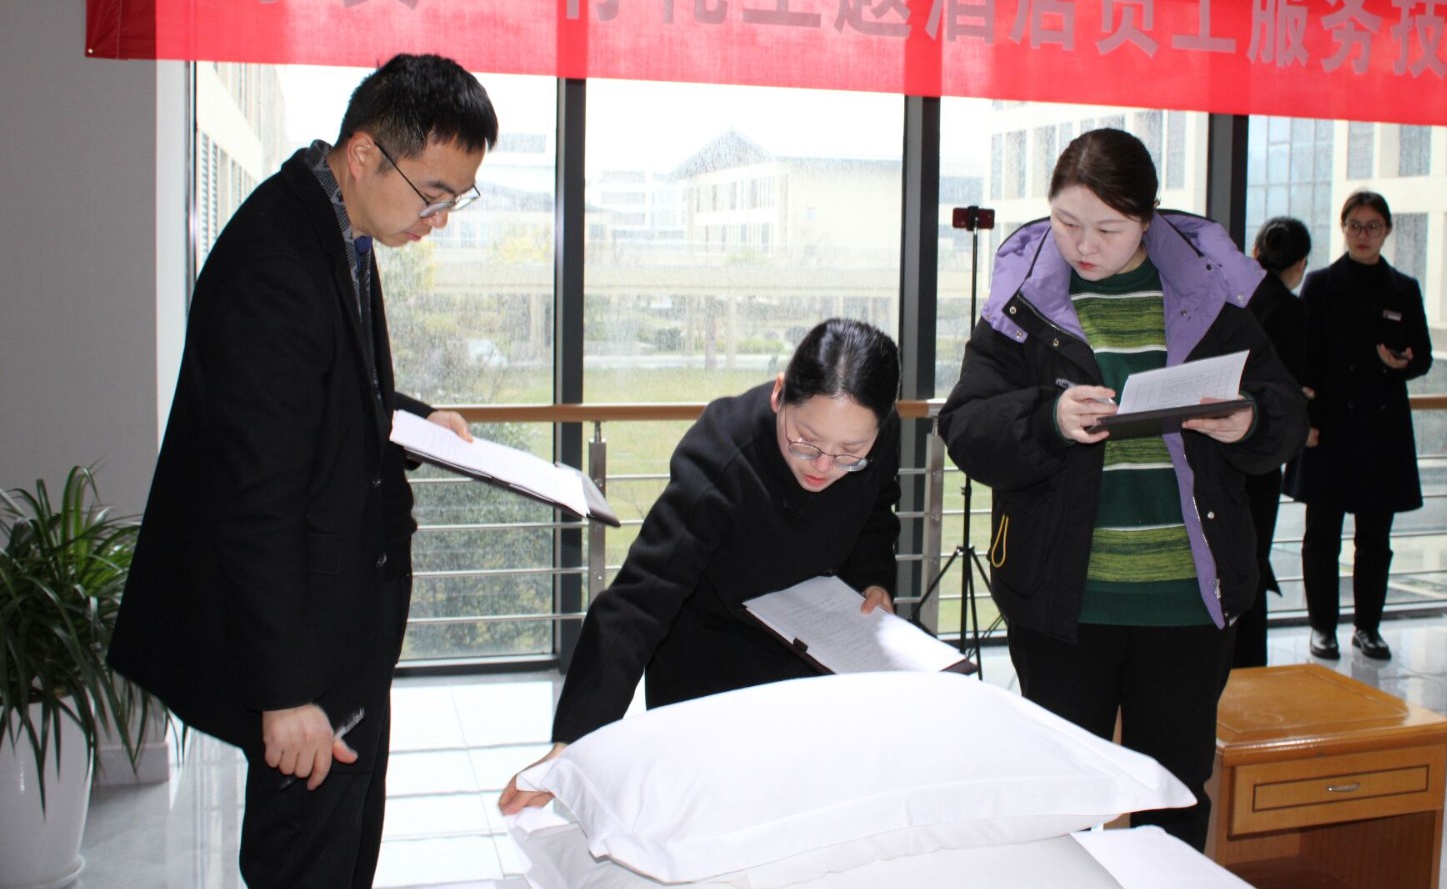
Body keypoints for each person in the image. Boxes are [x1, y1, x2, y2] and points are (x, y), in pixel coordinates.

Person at [108, 54, 498, 889]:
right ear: (364, 154)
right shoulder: (276, 262)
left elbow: (323, 390)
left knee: (345, 856)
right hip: (307, 660)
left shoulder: (340, 225)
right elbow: (256, 502)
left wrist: (413, 419)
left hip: (344, 632)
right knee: (306, 864)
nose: (438, 219)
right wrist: (285, 696)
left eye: (455, 200)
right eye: (432, 194)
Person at [937, 128, 1305, 852]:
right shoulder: (1024, 306)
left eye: (1108, 228)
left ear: (1146, 219)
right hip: (1064, 602)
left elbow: (1286, 410)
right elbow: (966, 426)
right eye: (1066, 222)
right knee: (1061, 799)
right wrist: (1048, 420)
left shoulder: (1207, 298)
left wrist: (1249, 421)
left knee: (1173, 793)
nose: (1084, 245)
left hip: (1187, 603)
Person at [499, 318, 902, 814]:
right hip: (709, 663)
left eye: (849, 454)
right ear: (779, 394)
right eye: (806, 441)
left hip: (808, 653)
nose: (823, 465)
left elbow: (877, 507)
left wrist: (873, 579)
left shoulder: (876, 432)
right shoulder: (721, 456)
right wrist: (574, 744)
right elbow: (641, 599)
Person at [1287, 191, 1432, 662]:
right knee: (1321, 536)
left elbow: (1424, 357)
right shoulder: (1321, 284)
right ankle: (1322, 627)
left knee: (1375, 540)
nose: (1362, 234)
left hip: (1380, 432)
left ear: (1387, 230)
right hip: (1329, 428)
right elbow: (1303, 360)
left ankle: (1368, 627)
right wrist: (1306, 423)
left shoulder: (1403, 288)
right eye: (1354, 225)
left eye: (1372, 226)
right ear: (1343, 228)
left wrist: (1404, 363)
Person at [1234, 216, 1312, 669]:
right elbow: (1289, 387)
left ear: (1255, 253)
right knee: (1253, 559)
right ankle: (1248, 667)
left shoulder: (1232, 296)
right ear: (1299, 265)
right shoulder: (1289, 309)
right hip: (1261, 449)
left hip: (1221, 446)